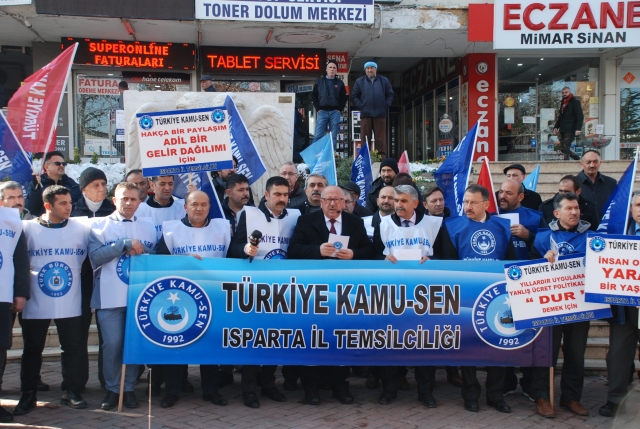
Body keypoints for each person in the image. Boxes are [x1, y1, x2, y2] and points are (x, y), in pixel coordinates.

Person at [289, 186, 373, 405]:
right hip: (313, 293)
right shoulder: (306, 221)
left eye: (337, 200)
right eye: (328, 200)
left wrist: (354, 254)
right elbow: (294, 250)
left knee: (340, 339)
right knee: (313, 339)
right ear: (321, 201)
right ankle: (311, 389)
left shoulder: (355, 223)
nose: (333, 204)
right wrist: (317, 251)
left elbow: (369, 251)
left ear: (345, 203)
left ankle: (339, 385)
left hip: (345, 293)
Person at [434, 184, 515, 414]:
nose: (468, 206)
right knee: (468, 346)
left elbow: (509, 262)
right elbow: (449, 264)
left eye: (473, 202)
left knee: (497, 346)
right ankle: (470, 394)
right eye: (466, 202)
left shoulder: (502, 226)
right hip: (466, 297)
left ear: (486, 204)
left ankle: (495, 395)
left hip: (497, 297)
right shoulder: (451, 226)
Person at [15, 186, 90, 415]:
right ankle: (28, 394)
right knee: (32, 348)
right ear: (48, 206)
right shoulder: (27, 228)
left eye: (69, 202)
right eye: (63, 203)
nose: (69, 207)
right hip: (36, 300)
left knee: (73, 347)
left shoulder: (82, 228)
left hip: (71, 298)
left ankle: (71, 390)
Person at [155, 190, 232, 409]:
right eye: (194, 204)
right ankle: (172, 390)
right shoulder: (171, 230)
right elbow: (159, 262)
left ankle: (211, 390)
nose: (199, 208)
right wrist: (182, 261)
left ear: (209, 207)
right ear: (185, 207)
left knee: (209, 344)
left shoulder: (223, 228)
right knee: (177, 343)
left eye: (204, 204)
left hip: (213, 294)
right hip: (180, 297)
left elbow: (233, 256)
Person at [228, 176, 300, 408]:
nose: (282, 199)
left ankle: (268, 383)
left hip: (285, 289)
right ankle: (249, 388)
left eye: (285, 195)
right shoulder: (248, 215)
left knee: (275, 339)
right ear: (266, 195)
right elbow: (232, 249)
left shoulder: (296, 216)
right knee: (254, 338)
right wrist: (245, 249)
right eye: (277, 194)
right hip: (255, 289)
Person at [372, 185, 442, 407]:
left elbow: (447, 255)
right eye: (395, 200)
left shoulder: (434, 224)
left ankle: (426, 392)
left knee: (425, 343)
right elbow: (372, 252)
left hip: (425, 295)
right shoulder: (383, 224)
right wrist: (381, 260)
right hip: (391, 293)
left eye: (403, 201)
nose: (398, 205)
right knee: (389, 342)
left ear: (415, 203)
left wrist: (434, 261)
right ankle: (389, 389)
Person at [88, 182, 156, 411]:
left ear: (139, 202)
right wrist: (123, 245)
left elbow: (157, 258)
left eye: (133, 199)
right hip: (109, 296)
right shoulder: (99, 225)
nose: (128, 203)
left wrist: (143, 250)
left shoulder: (149, 226)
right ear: (114, 200)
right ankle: (112, 389)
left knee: (134, 343)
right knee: (113, 344)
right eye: (123, 199)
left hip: (140, 298)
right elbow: (95, 257)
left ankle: (128, 389)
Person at [529, 193, 591, 418]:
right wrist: (541, 261)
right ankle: (542, 396)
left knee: (575, 353)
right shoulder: (543, 238)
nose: (574, 212)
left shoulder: (593, 239)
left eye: (576, 208)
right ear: (556, 213)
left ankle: (571, 397)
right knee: (546, 351)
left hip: (581, 305)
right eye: (569, 209)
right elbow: (528, 269)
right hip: (550, 305)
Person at [495, 179, 545, 398]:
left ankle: (530, 382)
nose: (502, 196)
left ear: (520, 197)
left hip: (527, 285)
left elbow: (547, 246)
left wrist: (529, 236)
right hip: (499, 284)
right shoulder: (492, 216)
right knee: (502, 332)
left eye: (508, 193)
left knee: (528, 334)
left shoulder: (535, 217)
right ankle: (507, 381)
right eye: (501, 192)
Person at [70, 167, 116, 391]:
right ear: (84, 188)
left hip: (108, 279)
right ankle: (76, 384)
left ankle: (108, 383)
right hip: (80, 281)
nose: (101, 189)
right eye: (96, 185)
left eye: (104, 184)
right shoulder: (72, 211)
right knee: (77, 334)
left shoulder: (113, 212)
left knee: (108, 335)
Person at [600, 191, 640, 417]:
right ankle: (615, 400)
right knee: (618, 354)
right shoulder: (617, 235)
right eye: (637, 205)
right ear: (631, 210)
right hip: (624, 307)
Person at [0, 207, 30, 423]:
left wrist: (20, 292)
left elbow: (20, 258)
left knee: (0, 349)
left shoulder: (10, 219)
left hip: (2, 295)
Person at [351, 61, 394, 156]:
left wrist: (385, 105)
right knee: (365, 139)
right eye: (367, 68)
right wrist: (361, 106)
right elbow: (354, 96)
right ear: (365, 70)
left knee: (381, 139)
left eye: (372, 68)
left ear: (376, 69)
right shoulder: (359, 81)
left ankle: (381, 161)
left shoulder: (384, 80)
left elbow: (390, 95)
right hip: (365, 114)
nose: (370, 70)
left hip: (380, 114)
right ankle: (364, 159)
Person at [25, 151, 81, 217]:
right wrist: (35, 190)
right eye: (57, 163)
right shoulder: (38, 184)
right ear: (46, 167)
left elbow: (80, 209)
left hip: (67, 225)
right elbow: (31, 210)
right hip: (44, 225)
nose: (61, 166)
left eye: (64, 164)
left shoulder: (73, 185)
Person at [135, 175, 186, 241]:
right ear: (152, 185)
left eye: (170, 184)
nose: (167, 188)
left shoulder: (183, 207)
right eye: (162, 184)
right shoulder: (138, 209)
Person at [312, 59, 347, 145]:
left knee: (333, 137)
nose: (332, 69)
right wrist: (318, 108)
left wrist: (340, 109)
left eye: (334, 68)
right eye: (330, 67)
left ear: (336, 70)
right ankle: (315, 157)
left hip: (335, 112)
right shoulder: (319, 82)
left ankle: (331, 157)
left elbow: (344, 97)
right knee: (318, 135)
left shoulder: (340, 83)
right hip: (322, 111)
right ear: (326, 69)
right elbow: (314, 96)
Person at [577, 150, 617, 220]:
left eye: (595, 161)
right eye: (588, 162)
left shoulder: (611, 183)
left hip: (606, 227)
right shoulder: (574, 183)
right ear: (581, 164)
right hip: (582, 228)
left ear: (600, 163)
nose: (592, 165)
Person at [553, 86, 583, 160]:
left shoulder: (575, 102)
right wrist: (556, 127)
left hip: (571, 128)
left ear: (570, 93)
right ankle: (577, 158)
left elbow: (580, 116)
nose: (564, 94)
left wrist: (578, 128)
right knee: (562, 148)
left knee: (566, 147)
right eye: (563, 93)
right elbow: (561, 117)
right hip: (563, 128)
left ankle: (565, 163)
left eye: (566, 92)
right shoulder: (562, 103)